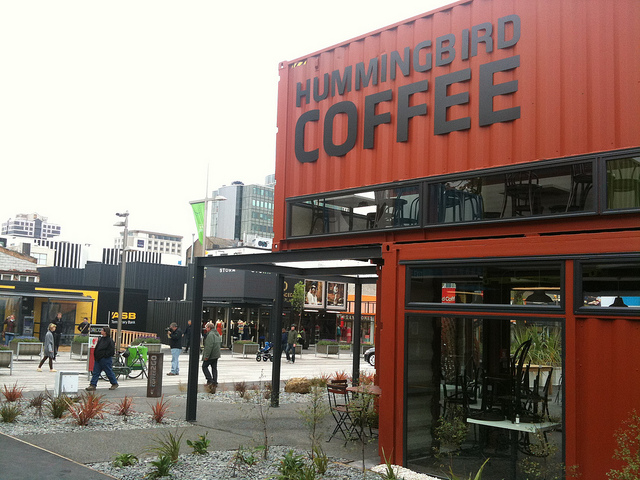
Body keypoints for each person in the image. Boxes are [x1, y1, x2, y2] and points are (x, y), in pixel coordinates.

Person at [86, 326, 118, 391]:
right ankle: (93, 385)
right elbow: (97, 348)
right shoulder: (100, 339)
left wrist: (104, 355)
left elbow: (111, 351)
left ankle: (114, 383)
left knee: (108, 372)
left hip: (105, 359)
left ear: (105, 332)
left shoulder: (110, 341)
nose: (101, 331)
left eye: (102, 330)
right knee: (95, 372)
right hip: (98, 358)